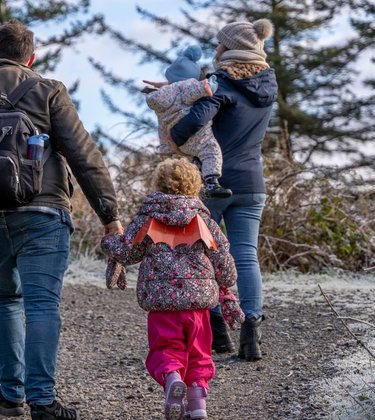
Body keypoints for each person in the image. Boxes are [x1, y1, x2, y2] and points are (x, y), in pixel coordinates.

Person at [0, 20, 122, 420]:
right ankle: (43, 403)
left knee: (4, 298)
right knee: (42, 304)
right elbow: (84, 157)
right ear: (31, 57)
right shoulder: (48, 90)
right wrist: (110, 217)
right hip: (43, 213)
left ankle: (11, 393)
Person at [155, 18, 277, 361]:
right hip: (252, 183)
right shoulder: (267, 85)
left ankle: (218, 331)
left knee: (202, 256)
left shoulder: (219, 84)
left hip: (213, 182)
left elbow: (194, 120)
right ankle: (251, 329)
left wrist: (174, 138)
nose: (216, 49)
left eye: (220, 44)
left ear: (230, 48)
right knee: (246, 255)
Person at [101, 158, 241, 420]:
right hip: (199, 306)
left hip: (162, 305)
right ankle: (198, 405)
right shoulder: (204, 220)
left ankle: (173, 378)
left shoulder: (148, 219)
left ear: (158, 184)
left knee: (165, 350)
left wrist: (109, 241)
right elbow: (222, 257)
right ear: (195, 186)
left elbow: (128, 252)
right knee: (199, 354)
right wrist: (227, 281)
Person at [145, 45, 232, 199]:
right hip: (197, 135)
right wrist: (210, 84)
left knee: (193, 158)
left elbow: (161, 126)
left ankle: (198, 176)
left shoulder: (161, 97)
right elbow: (195, 90)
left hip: (178, 143)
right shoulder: (188, 87)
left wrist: (166, 148)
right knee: (211, 151)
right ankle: (211, 182)